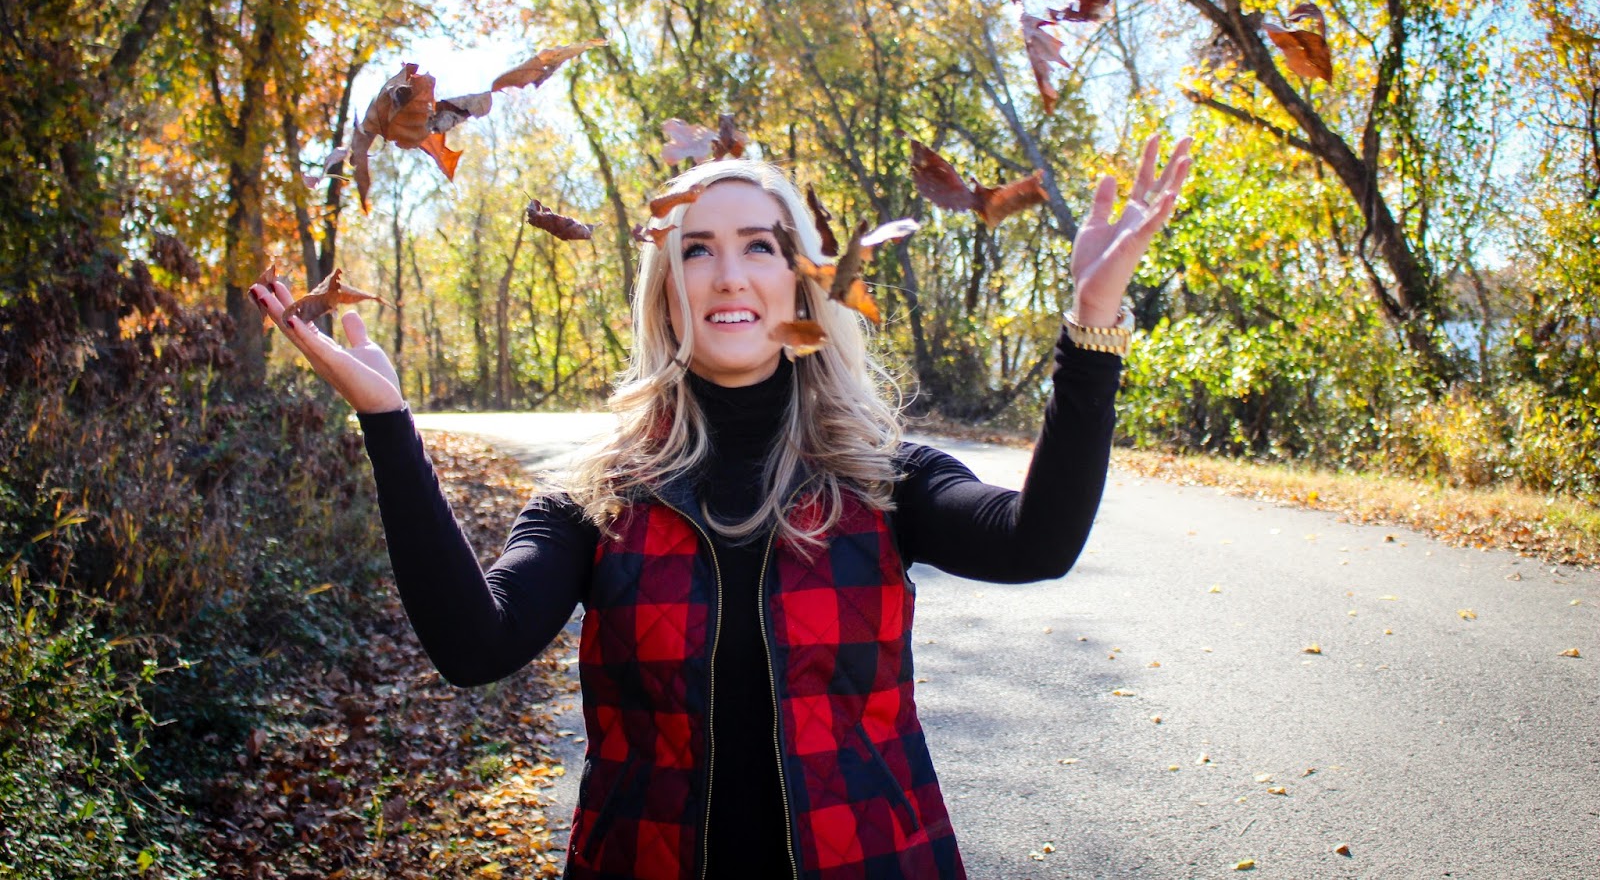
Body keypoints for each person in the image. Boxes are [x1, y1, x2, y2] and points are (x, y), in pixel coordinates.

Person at [251, 136, 1191, 880]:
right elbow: (474, 646)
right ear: (668, 290)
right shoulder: (598, 496)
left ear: (800, 281)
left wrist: (1092, 326)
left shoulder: (882, 476)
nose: (728, 274)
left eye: (760, 246)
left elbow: (1037, 542)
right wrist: (387, 422)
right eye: (696, 248)